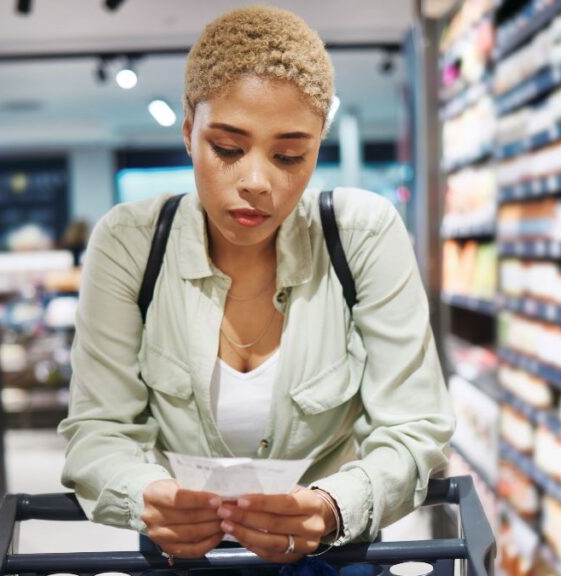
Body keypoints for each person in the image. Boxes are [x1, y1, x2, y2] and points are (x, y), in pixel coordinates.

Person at [59, 4, 454, 566]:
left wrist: (332, 506)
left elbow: (415, 426)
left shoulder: (362, 234)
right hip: (180, 557)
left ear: (318, 144)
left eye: (290, 155)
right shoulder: (130, 243)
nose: (257, 182)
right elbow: (98, 429)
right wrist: (145, 494)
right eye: (227, 147)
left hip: (333, 554)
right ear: (188, 131)